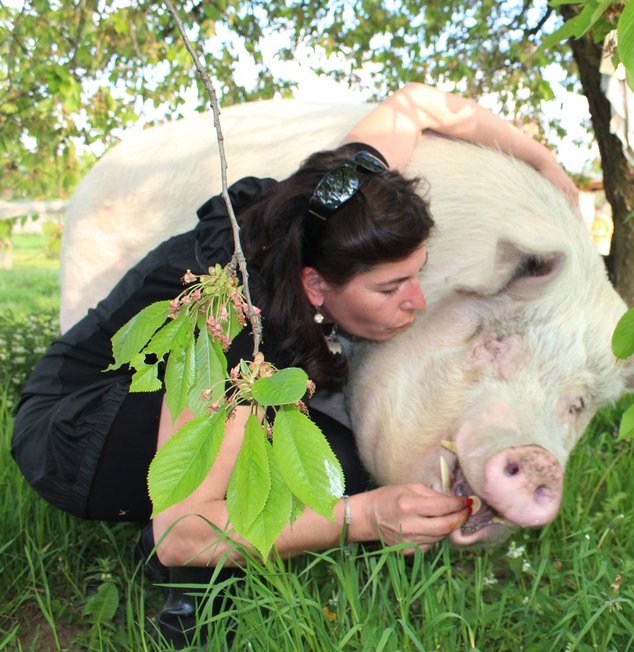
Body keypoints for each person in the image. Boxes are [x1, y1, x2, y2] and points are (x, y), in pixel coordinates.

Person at [10, 82, 579, 645]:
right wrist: (363, 518)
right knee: (307, 482)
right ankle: (194, 598)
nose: (418, 301)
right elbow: (181, 532)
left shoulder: (335, 200)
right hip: (77, 434)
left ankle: (224, 525)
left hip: (147, 397)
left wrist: (545, 165)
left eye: (417, 273)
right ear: (314, 284)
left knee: (341, 463)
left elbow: (416, 104)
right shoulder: (240, 328)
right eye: (391, 288)